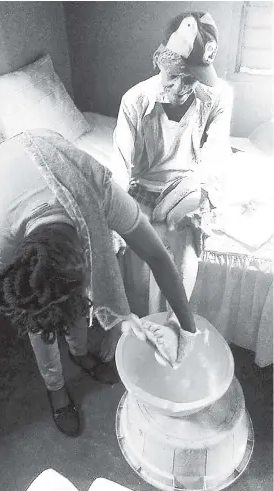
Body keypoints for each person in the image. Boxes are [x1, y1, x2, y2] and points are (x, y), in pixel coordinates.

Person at [0, 128, 197, 438]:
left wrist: (188, 329)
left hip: (46, 145)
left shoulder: (99, 190)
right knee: (41, 317)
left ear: (89, 255)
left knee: (71, 307)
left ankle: (79, 352)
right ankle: (55, 388)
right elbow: (36, 305)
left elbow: (160, 258)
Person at [112, 11, 233, 317]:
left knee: (182, 258)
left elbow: (217, 153)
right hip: (143, 187)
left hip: (185, 185)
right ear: (159, 57)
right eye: (173, 74)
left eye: (191, 77)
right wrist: (115, 219)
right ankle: (144, 329)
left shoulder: (216, 97)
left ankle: (171, 326)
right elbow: (120, 164)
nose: (181, 87)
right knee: (138, 272)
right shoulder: (134, 100)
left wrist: (202, 197)